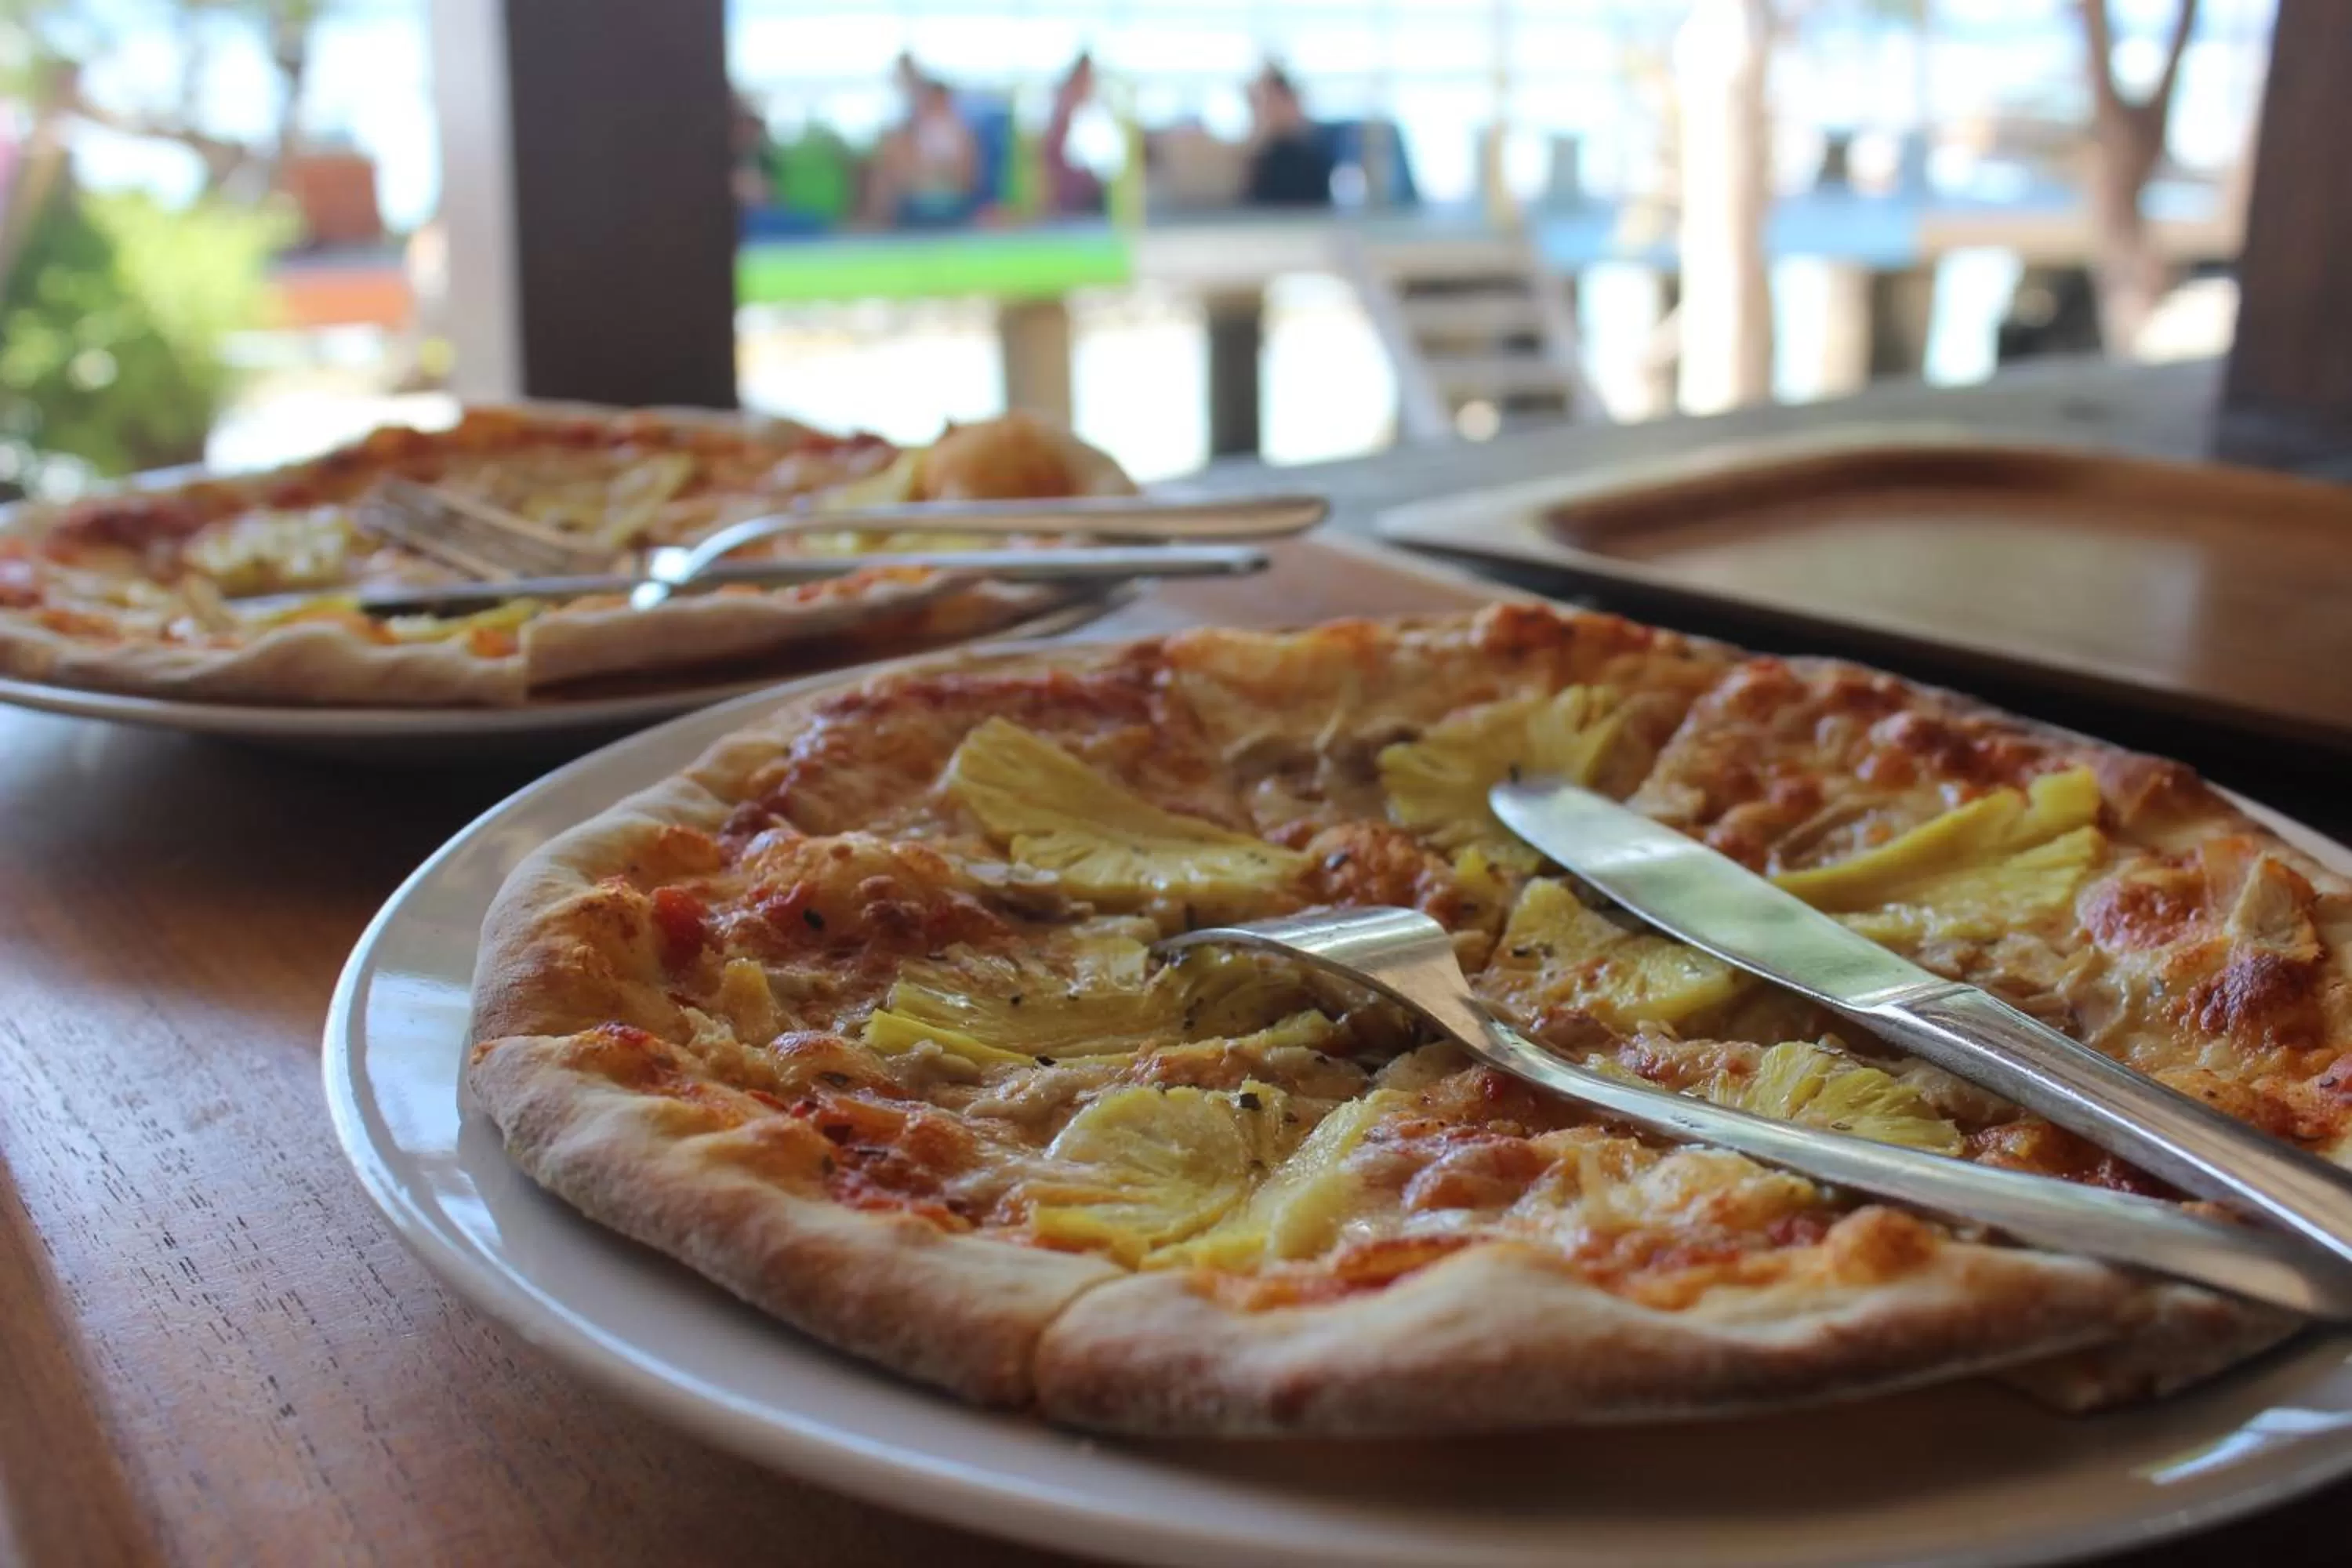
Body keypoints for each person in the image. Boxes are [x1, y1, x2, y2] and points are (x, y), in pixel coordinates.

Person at [864, 60, 980, 228]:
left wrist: (938, 173)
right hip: (915, 198)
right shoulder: (910, 132)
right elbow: (902, 172)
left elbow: (967, 176)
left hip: (951, 200)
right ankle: (875, 221)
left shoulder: (962, 134)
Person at [1243, 64, 1334, 209]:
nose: (1266, 111)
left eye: (1271, 101)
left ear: (1290, 102)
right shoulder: (1262, 158)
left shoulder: (1308, 158)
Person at [1040, 53, 1103, 217]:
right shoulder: (1066, 105)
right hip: (1068, 192)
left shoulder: (1082, 109)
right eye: (1088, 78)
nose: (1091, 85)